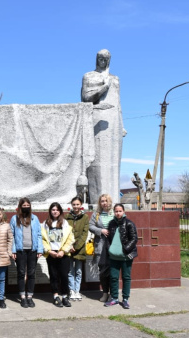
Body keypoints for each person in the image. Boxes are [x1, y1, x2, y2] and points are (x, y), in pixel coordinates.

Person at [81, 49, 124, 203]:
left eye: (106, 58)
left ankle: (113, 201)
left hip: (114, 122)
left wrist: (122, 124)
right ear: (96, 59)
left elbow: (118, 103)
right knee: (97, 162)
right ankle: (97, 201)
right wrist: (103, 88)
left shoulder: (115, 79)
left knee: (113, 162)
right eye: (100, 58)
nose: (103, 61)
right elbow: (85, 98)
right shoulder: (89, 76)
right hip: (97, 119)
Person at [10, 198, 43, 308]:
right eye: (23, 205)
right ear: (20, 206)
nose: (26, 207)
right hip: (20, 250)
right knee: (20, 273)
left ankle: (30, 297)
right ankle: (22, 297)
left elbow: (39, 235)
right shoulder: (15, 219)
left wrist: (39, 249)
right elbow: (12, 236)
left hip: (32, 250)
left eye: (27, 205)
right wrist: (13, 250)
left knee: (31, 274)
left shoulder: (35, 218)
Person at [103, 204, 138, 309]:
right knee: (113, 278)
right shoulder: (111, 224)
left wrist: (125, 249)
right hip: (114, 257)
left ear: (123, 212)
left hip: (126, 256)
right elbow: (108, 239)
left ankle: (125, 299)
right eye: (116, 211)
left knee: (126, 277)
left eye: (120, 211)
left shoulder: (129, 224)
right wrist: (110, 250)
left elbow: (134, 239)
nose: (118, 213)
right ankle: (114, 298)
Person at [42, 202, 75, 308]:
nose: (55, 211)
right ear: (50, 211)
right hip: (51, 254)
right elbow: (42, 239)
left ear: (60, 211)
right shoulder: (45, 224)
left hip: (63, 254)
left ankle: (65, 296)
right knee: (54, 276)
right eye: (53, 209)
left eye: (56, 209)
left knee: (64, 276)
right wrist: (48, 251)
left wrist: (63, 251)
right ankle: (56, 296)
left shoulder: (65, 223)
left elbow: (70, 239)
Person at [89, 194, 115, 302]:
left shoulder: (115, 212)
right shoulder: (97, 214)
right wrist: (101, 231)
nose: (104, 203)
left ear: (110, 201)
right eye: (102, 201)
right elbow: (90, 226)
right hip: (100, 245)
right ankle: (105, 293)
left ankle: (113, 294)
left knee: (113, 271)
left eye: (106, 201)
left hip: (113, 245)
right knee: (103, 271)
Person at [66, 196, 89, 301]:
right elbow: (65, 232)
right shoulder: (67, 217)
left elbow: (85, 234)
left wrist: (77, 246)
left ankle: (77, 291)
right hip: (68, 248)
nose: (76, 206)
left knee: (78, 271)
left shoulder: (85, 217)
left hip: (79, 248)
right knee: (70, 270)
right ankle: (71, 290)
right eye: (74, 204)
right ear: (71, 205)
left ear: (81, 205)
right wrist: (70, 246)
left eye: (77, 204)